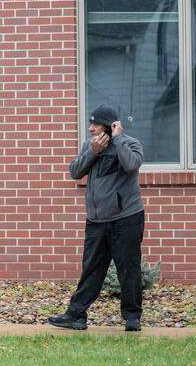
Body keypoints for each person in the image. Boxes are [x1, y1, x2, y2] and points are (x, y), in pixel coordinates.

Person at [48, 104, 145, 332]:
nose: (90, 128)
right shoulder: (90, 146)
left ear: (110, 127)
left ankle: (132, 318)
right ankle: (76, 315)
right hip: (96, 220)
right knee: (91, 269)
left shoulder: (130, 144)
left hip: (126, 218)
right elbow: (75, 172)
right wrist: (93, 152)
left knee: (128, 268)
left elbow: (131, 164)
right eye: (90, 124)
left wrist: (119, 140)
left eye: (95, 124)